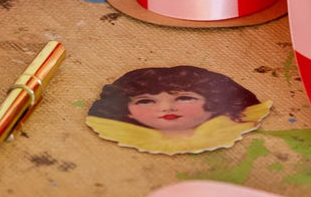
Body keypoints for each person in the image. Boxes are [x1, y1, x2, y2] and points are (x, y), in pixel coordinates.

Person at [86, 65, 270, 155]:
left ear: (215, 101)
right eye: (145, 102)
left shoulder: (239, 126)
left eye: (185, 98)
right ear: (127, 110)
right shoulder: (114, 134)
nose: (166, 107)